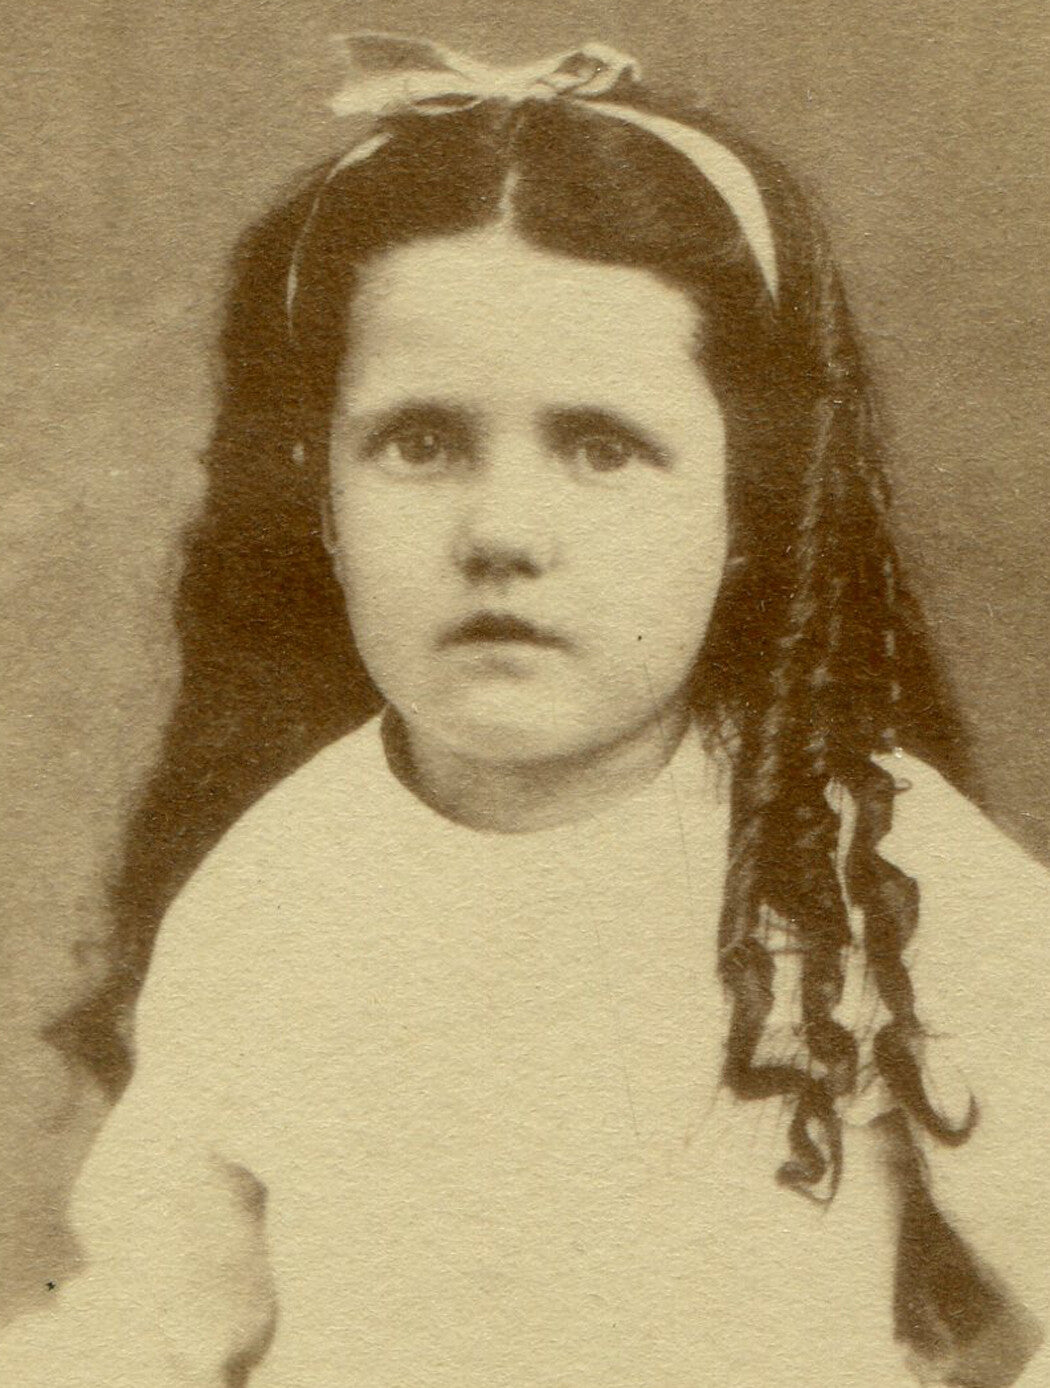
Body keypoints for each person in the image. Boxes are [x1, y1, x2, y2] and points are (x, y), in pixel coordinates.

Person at [4, 33, 1049, 1387]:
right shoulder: (277, 884)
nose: (500, 531)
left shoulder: (867, 867)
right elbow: (153, 1320)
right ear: (317, 497)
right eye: (420, 441)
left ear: (751, 508)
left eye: (600, 446)